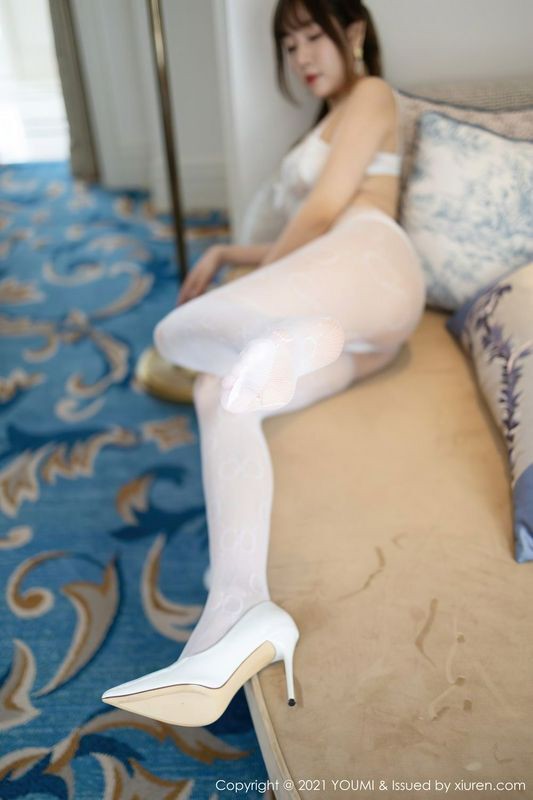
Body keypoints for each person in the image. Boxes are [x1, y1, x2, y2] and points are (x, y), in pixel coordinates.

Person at [101, 0, 426, 727]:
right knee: (218, 390)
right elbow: (315, 227)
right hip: (365, 330)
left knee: (177, 333)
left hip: (371, 259)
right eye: (288, 44)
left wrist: (252, 282)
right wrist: (227, 251)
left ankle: (287, 333)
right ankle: (236, 611)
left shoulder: (372, 95)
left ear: (354, 33)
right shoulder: (327, 118)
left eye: (312, 36)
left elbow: (324, 213)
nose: (300, 56)